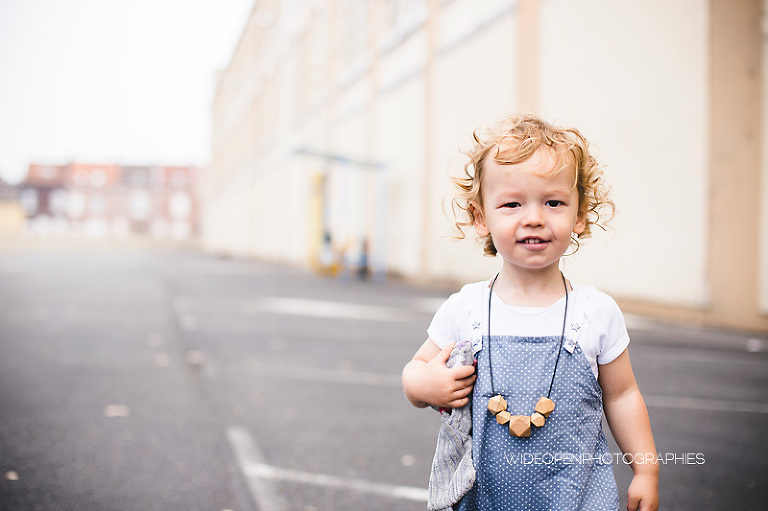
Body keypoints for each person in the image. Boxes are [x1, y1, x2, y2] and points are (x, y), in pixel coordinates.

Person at [402, 114, 659, 510]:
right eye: (512, 204)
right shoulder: (466, 308)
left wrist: (645, 470)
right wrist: (424, 387)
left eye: (553, 202)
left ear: (580, 213)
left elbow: (623, 395)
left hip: (577, 497)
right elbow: (415, 371)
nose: (534, 217)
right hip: (486, 497)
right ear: (480, 218)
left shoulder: (596, 312)